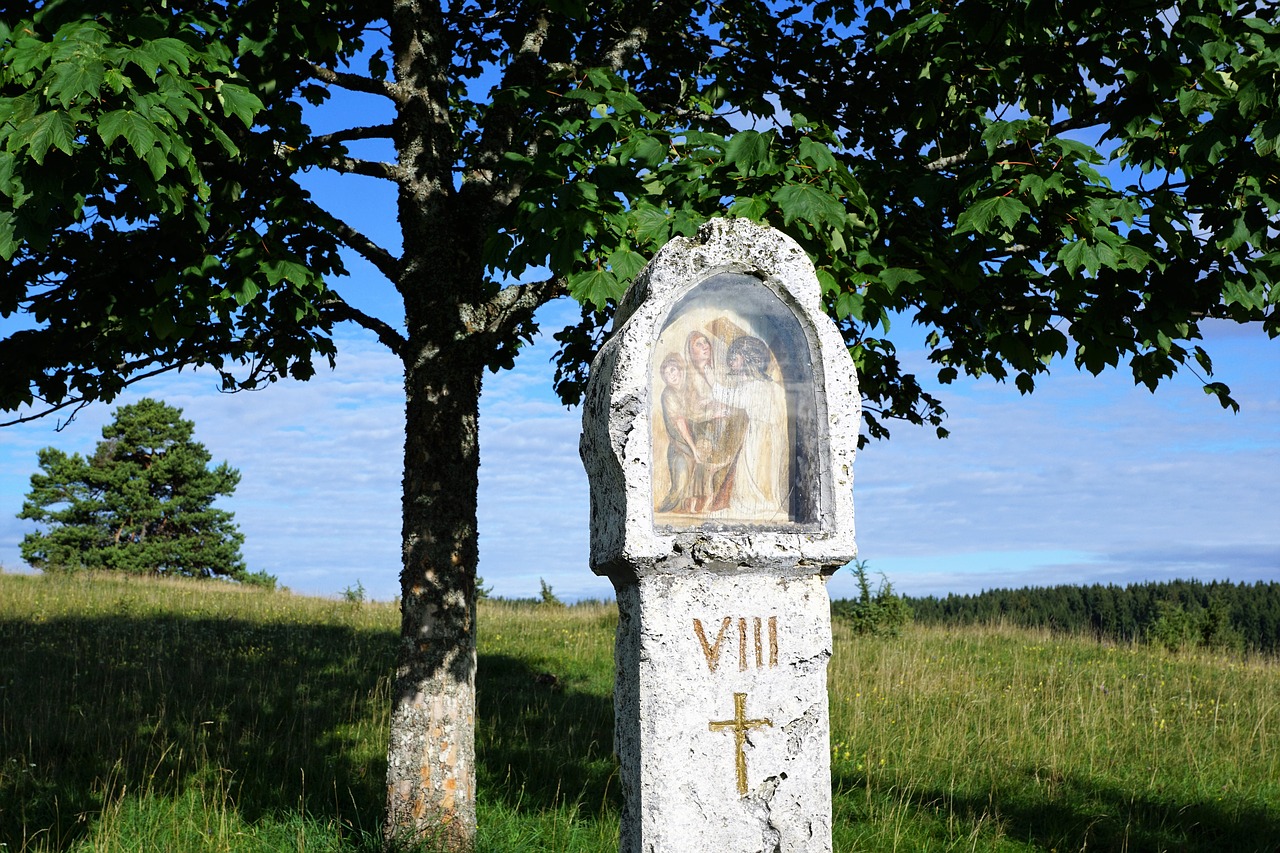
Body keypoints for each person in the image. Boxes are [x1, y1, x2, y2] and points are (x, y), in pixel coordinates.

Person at [713, 335, 790, 522]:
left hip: (760, 435)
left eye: (735, 358)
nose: (731, 362)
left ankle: (750, 505)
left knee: (751, 470)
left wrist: (710, 380)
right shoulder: (771, 386)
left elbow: (731, 397)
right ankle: (765, 503)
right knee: (765, 471)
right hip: (773, 436)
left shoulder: (754, 386)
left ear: (747, 358)